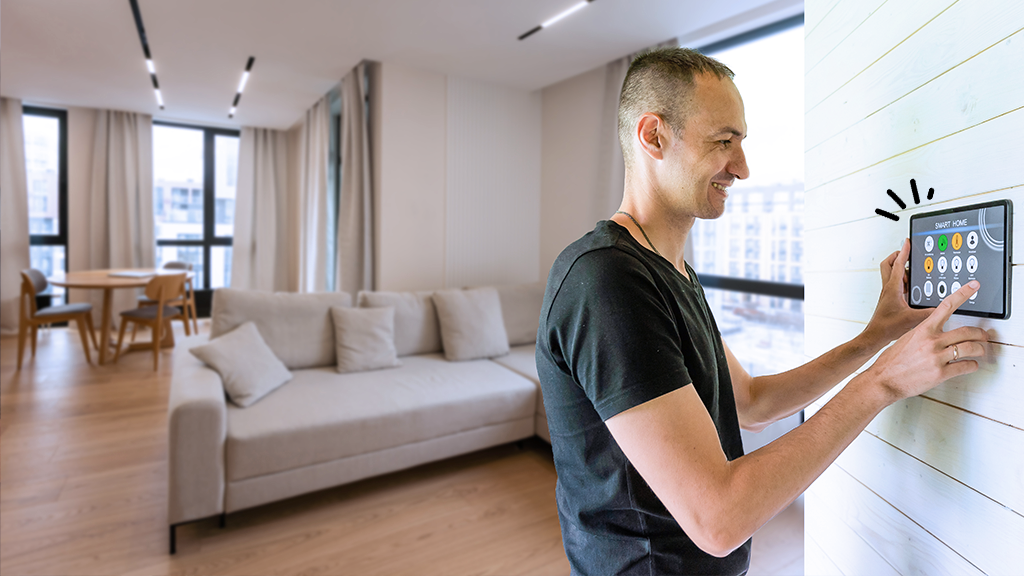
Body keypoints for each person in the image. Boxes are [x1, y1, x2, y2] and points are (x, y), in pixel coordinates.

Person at [535, 47, 990, 576]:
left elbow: (750, 401)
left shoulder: (669, 270)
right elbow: (718, 518)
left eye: (742, 143)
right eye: (723, 142)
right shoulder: (607, 280)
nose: (742, 168)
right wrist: (882, 383)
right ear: (653, 136)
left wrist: (873, 338)